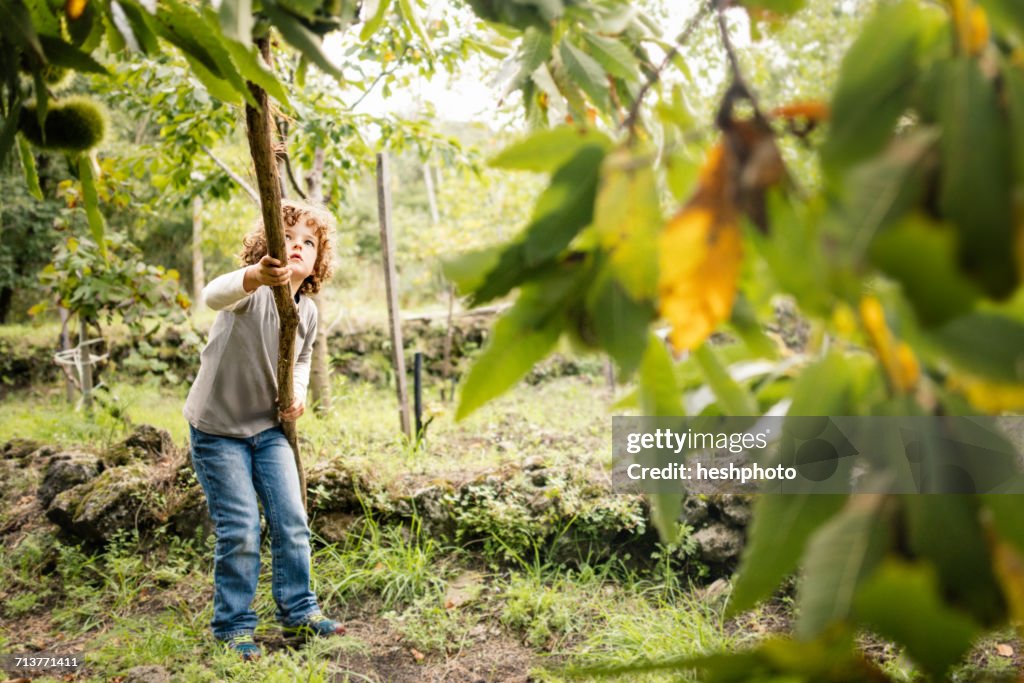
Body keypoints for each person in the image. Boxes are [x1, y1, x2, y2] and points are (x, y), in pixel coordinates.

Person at [183, 200, 342, 661]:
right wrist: (253, 275)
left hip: (269, 430)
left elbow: (304, 357)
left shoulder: (307, 311)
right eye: (287, 238)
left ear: (317, 259)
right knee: (241, 528)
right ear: (268, 247)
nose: (297, 247)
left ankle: (299, 610)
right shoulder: (248, 291)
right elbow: (212, 294)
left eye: (307, 243)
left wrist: (297, 393)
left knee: (292, 521)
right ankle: (233, 626)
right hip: (217, 430)